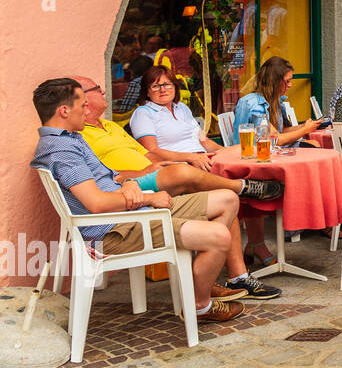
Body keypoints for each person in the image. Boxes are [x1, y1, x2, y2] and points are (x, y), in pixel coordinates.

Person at [31, 79, 246, 323]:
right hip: (116, 230)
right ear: (64, 111)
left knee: (228, 199)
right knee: (219, 236)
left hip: (132, 213)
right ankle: (199, 304)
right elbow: (97, 203)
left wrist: (128, 183)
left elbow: (111, 176)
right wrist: (149, 198)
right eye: (82, 104)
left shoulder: (71, 138)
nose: (86, 108)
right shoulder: (61, 150)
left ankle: (199, 278)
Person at [75, 76, 282, 301]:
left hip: (154, 172)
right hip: (134, 187)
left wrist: (156, 164)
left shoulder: (110, 125)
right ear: (82, 97)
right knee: (184, 172)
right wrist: (142, 172)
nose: (104, 91)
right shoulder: (78, 135)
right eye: (97, 88)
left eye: (168, 84)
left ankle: (235, 276)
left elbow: (146, 153)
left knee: (224, 199)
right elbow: (103, 176)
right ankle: (244, 187)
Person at [233, 57, 325, 266]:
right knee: (308, 160)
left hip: (269, 157)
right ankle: (291, 227)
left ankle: (303, 223)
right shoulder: (254, 103)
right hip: (251, 161)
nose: (290, 85)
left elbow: (281, 132)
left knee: (314, 152)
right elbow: (272, 138)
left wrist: (305, 126)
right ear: (275, 81)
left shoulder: (275, 101)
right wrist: (304, 131)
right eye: (287, 80)